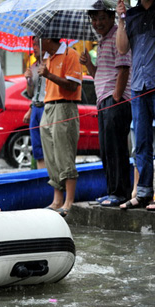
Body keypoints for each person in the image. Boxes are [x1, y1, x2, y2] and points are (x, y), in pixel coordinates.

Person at [80, 9, 132, 207]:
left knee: (117, 148)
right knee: (106, 149)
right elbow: (99, 75)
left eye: (102, 18)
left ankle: (121, 193)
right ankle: (112, 191)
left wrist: (117, 98)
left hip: (114, 100)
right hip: (103, 101)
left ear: (111, 17)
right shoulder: (102, 42)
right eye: (94, 19)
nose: (97, 23)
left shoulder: (119, 35)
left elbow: (124, 68)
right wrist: (89, 65)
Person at [117, 0, 155, 211]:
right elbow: (122, 49)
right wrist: (121, 20)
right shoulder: (131, 15)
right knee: (141, 143)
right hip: (139, 87)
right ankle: (143, 193)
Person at [38, 38, 83, 217]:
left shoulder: (70, 54)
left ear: (47, 38)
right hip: (48, 107)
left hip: (64, 107)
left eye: (38, 39)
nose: (36, 44)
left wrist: (49, 75)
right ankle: (57, 199)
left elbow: (73, 85)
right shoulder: (47, 58)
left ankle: (69, 201)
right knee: (51, 156)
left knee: (64, 153)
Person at [23, 37, 47, 170]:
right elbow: (31, 93)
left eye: (37, 44)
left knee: (47, 145)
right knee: (37, 147)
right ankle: (40, 172)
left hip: (45, 107)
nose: (34, 48)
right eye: (33, 45)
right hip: (35, 108)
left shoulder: (49, 63)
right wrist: (29, 80)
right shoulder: (33, 67)